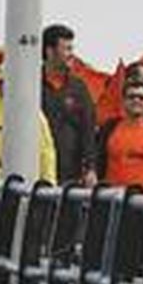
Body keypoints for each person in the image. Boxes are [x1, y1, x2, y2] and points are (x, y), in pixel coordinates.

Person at [41, 22, 97, 184]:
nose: (71, 54)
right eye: (66, 49)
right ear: (50, 51)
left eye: (72, 49)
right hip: (38, 171)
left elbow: (88, 129)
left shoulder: (78, 88)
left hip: (71, 176)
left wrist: (90, 168)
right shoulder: (31, 86)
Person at [96, 81, 143, 191]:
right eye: (131, 97)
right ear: (123, 101)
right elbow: (98, 158)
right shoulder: (109, 128)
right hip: (111, 195)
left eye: (142, 97)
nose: (136, 100)